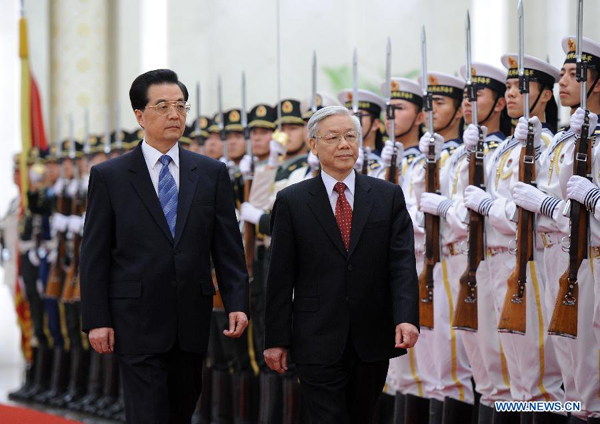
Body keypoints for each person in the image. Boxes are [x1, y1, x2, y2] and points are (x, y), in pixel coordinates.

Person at [80, 68, 249, 424]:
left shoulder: (211, 173)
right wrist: (97, 319)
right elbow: (94, 254)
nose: (174, 114)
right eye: (163, 106)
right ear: (140, 115)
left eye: (180, 106)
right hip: (134, 318)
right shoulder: (110, 176)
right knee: (147, 412)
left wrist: (237, 302)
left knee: (180, 408)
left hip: (191, 316)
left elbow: (227, 247)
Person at [264, 105, 419, 423]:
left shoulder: (386, 196)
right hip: (316, 336)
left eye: (351, 136)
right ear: (313, 144)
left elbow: (401, 263)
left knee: (363, 415)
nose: (344, 144)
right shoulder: (292, 201)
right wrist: (276, 339)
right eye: (333, 137)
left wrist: (406, 317)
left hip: (372, 335)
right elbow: (280, 275)